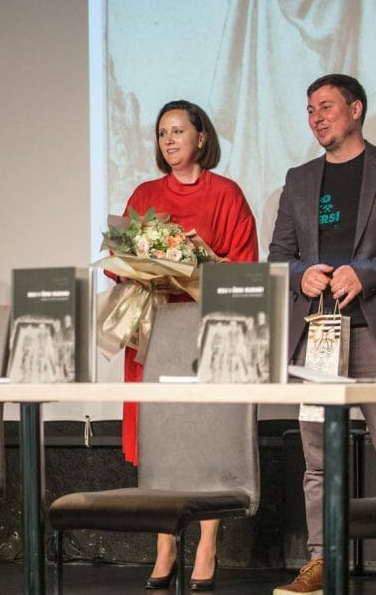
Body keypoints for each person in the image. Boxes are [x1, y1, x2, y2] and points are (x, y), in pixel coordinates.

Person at [269, 74, 376, 595]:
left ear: (356, 109)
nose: (316, 118)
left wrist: (364, 272)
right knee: (318, 460)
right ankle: (322, 560)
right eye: (310, 110)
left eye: (326, 107)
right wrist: (301, 275)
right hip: (319, 337)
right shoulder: (299, 179)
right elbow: (279, 257)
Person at [119, 100, 258, 591]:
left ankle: (207, 542)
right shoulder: (146, 194)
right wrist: (146, 270)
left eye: (178, 131)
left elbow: (246, 265)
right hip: (156, 328)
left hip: (207, 329)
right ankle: (164, 543)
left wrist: (199, 267)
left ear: (202, 137)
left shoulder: (226, 193)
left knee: (206, 433)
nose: (169, 140)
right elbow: (119, 262)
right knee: (162, 434)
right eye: (162, 133)